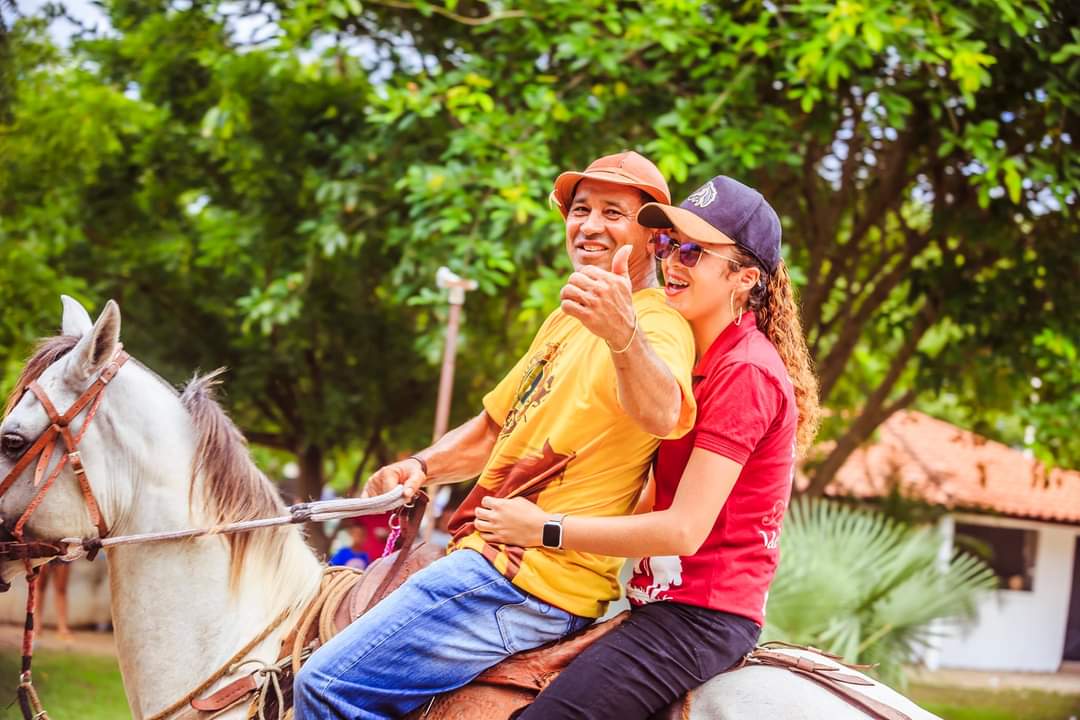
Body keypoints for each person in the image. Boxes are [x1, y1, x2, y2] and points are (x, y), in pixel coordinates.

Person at [294, 151, 699, 719]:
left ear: (653, 238)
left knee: (326, 684)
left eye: (614, 212)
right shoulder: (566, 318)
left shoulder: (658, 323)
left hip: (529, 581)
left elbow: (665, 414)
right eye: (581, 209)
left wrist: (623, 333)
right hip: (483, 559)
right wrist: (423, 468)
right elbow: (493, 426)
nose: (589, 224)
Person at [476, 175, 822, 719]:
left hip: (699, 618)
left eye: (692, 251)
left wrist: (544, 530)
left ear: (745, 278)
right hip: (655, 603)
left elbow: (683, 530)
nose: (670, 262)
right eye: (664, 245)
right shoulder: (687, 361)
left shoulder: (746, 371)